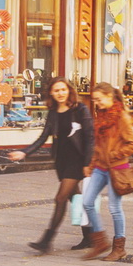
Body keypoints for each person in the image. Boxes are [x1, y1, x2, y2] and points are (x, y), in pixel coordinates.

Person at [7, 78, 95, 254]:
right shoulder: (54, 112)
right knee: (76, 199)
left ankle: (46, 241)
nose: (60, 93)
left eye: (63, 89)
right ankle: (90, 236)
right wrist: (25, 152)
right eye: (56, 91)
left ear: (69, 90)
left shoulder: (80, 109)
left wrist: (87, 163)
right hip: (61, 161)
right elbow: (43, 137)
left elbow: (90, 137)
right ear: (52, 94)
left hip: (77, 161)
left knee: (60, 198)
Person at [77, 83, 133, 261]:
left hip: (117, 169)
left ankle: (119, 248)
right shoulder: (101, 116)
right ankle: (100, 242)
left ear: (110, 97)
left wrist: (114, 154)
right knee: (87, 202)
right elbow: (98, 144)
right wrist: (92, 163)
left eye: (99, 99)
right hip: (100, 168)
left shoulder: (121, 117)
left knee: (114, 208)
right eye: (94, 100)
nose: (96, 103)